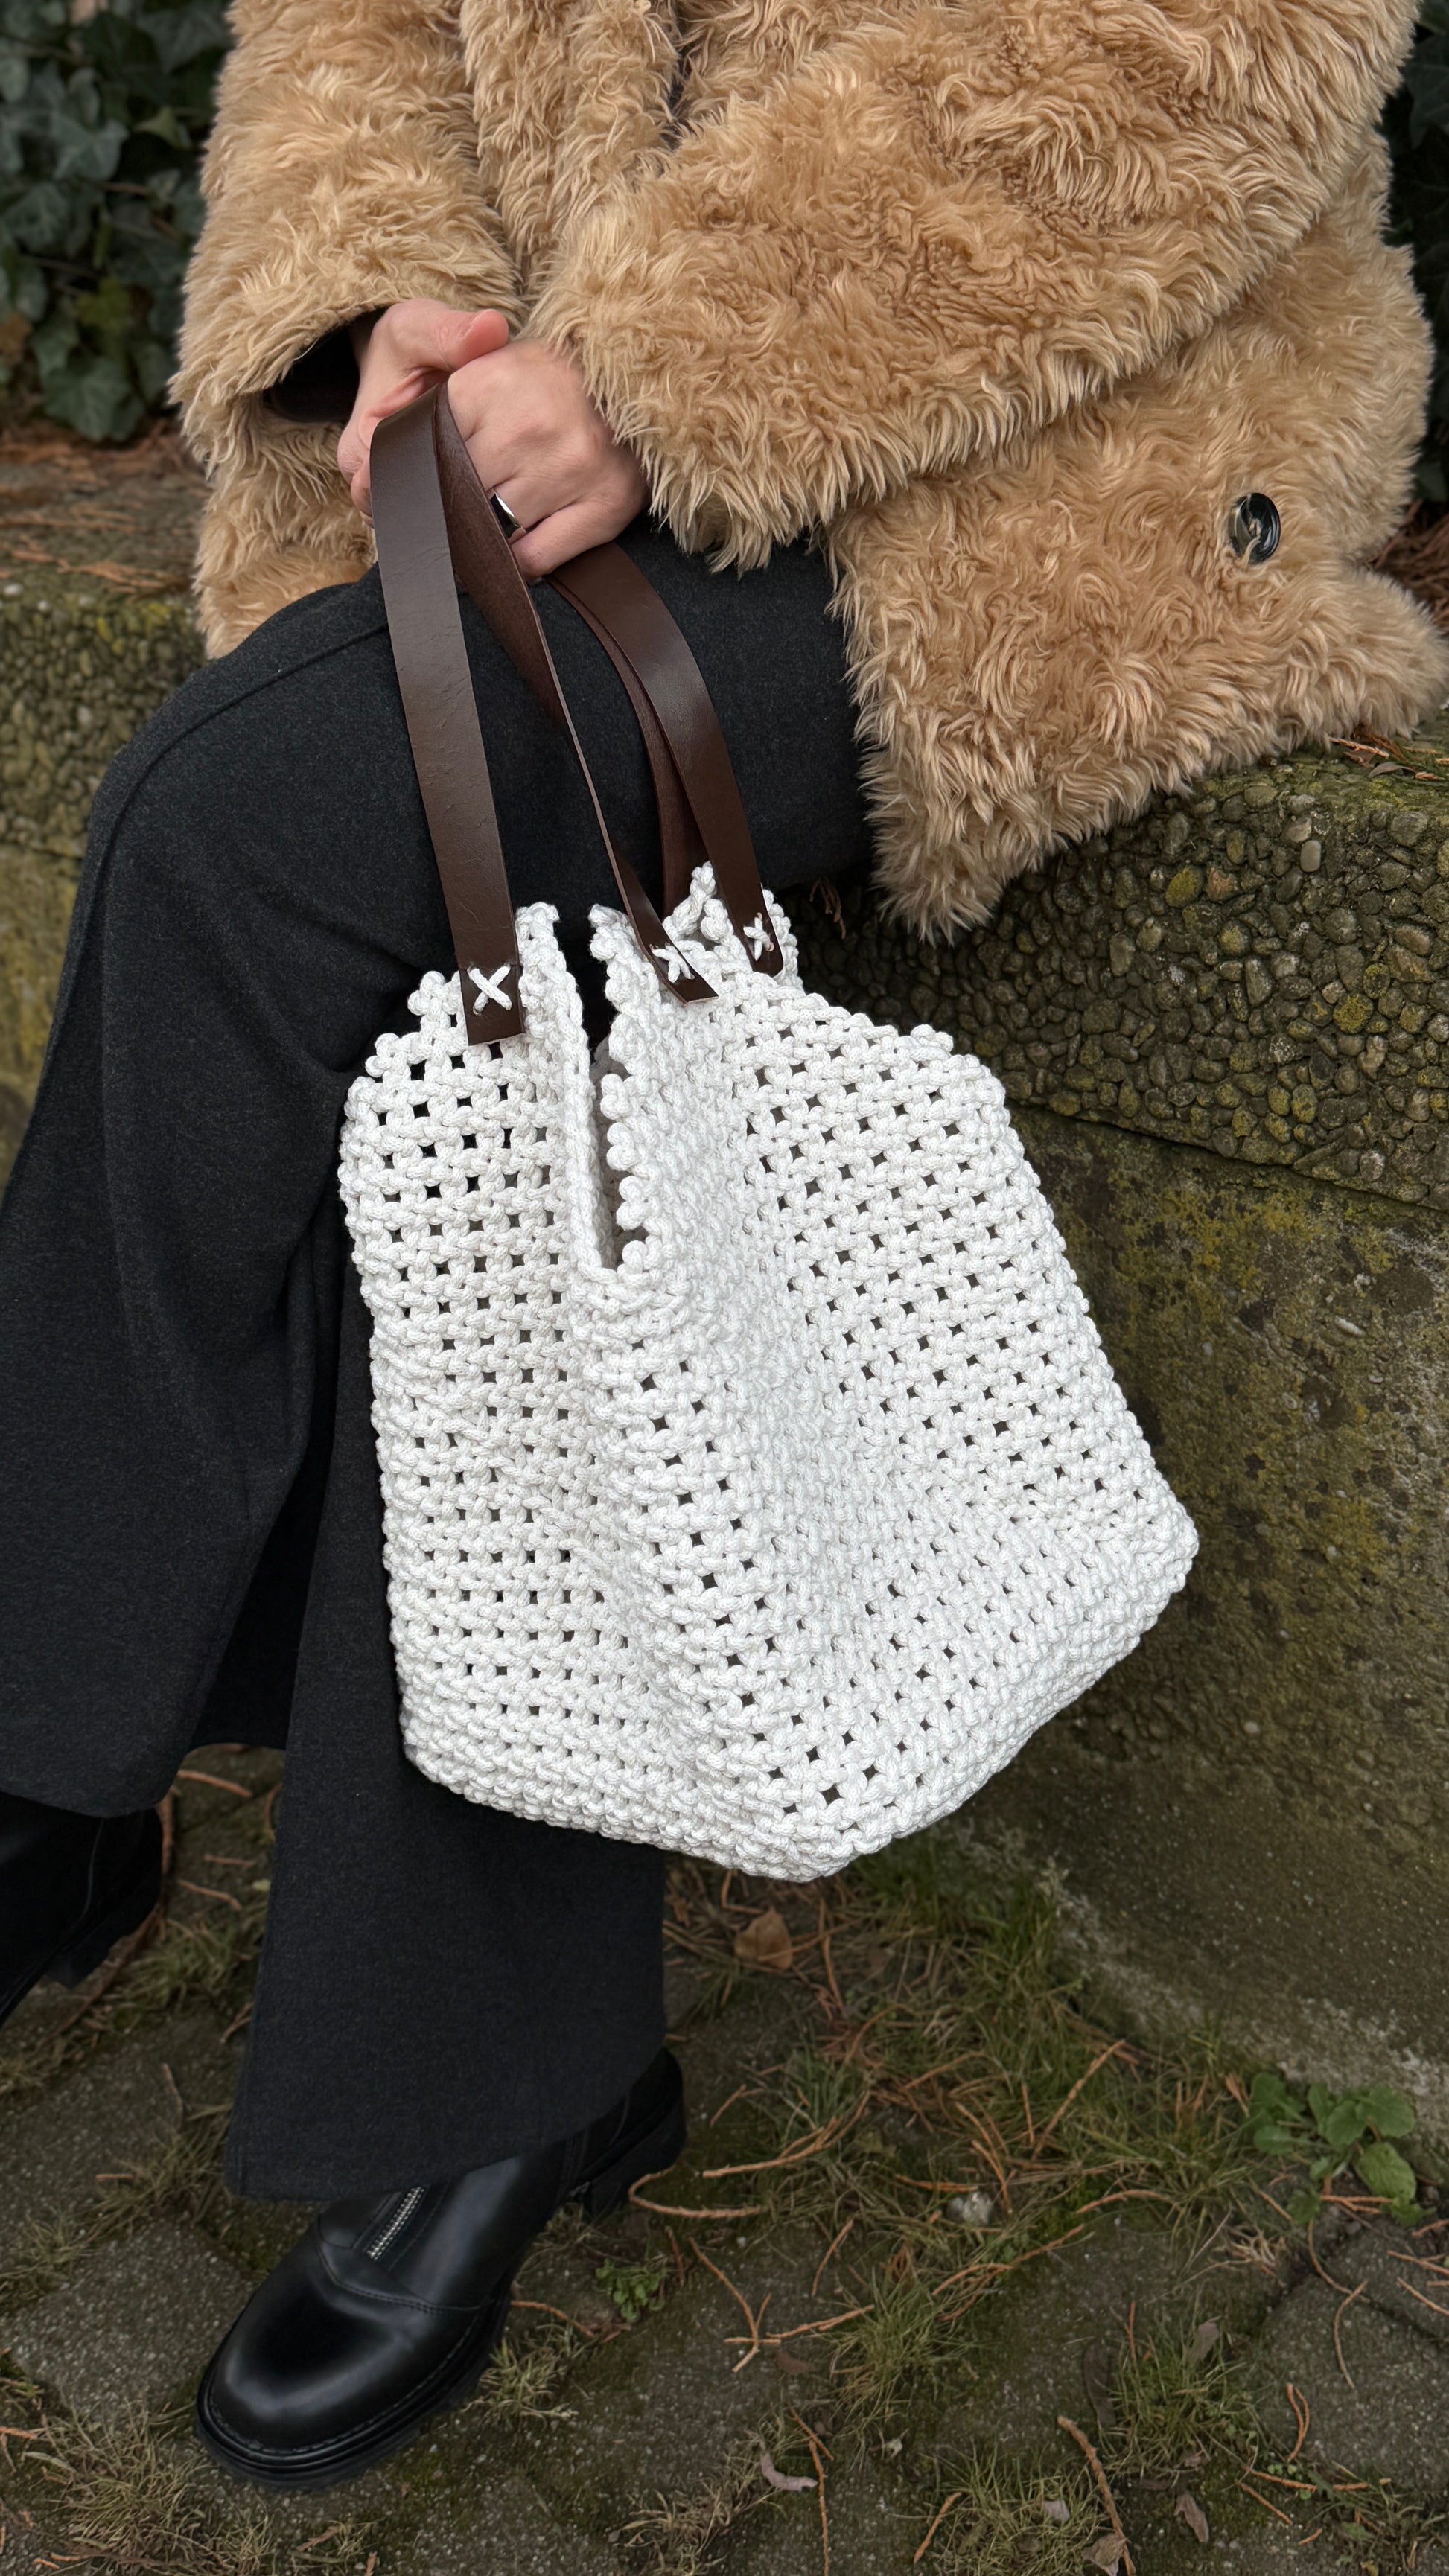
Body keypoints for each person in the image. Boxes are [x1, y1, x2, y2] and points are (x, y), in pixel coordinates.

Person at [1, 0, 1444, 2499]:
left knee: (257, 845)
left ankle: (115, 1811)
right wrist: (390, 312)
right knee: (394, 964)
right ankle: (440, 2020)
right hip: (533, 425)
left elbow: (1187, 52)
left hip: (1039, 439)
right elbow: (358, 26)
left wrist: (662, 377)